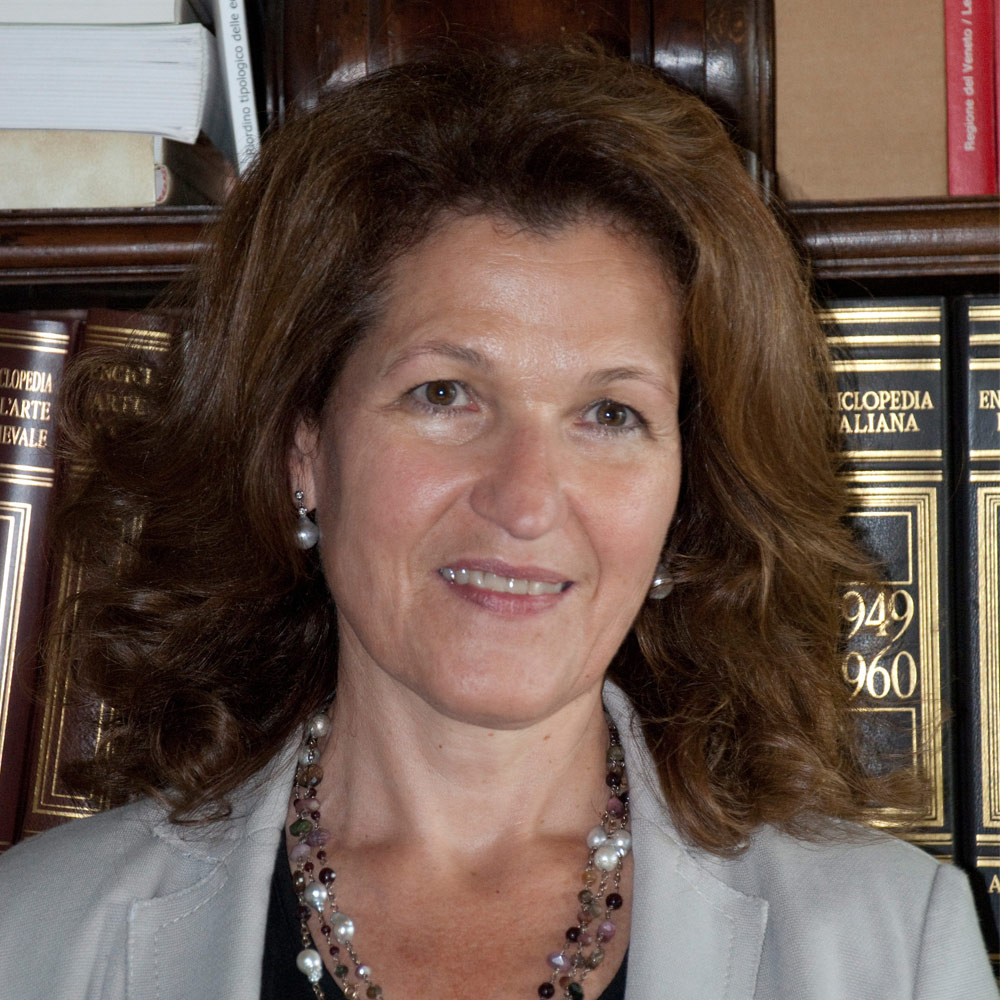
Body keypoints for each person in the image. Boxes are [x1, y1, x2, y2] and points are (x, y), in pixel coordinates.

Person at [0, 43, 994, 1000]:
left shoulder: (890, 949)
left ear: (687, 492)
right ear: (303, 448)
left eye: (610, 414)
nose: (524, 500)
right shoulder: (33, 935)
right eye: (444, 394)